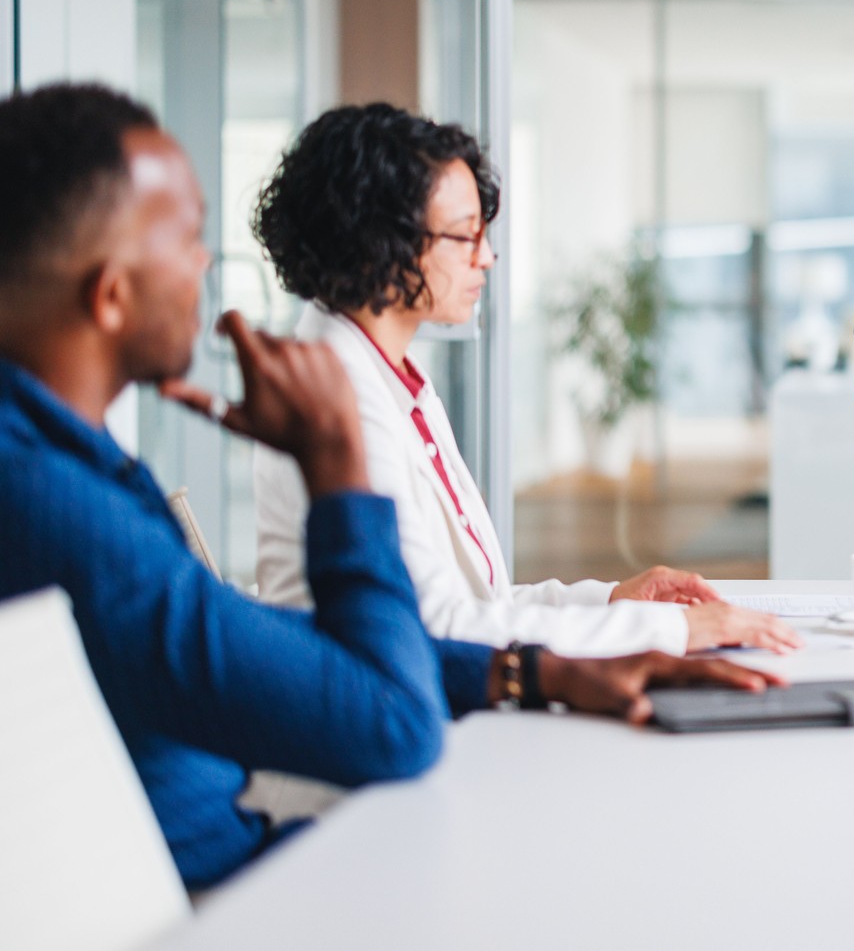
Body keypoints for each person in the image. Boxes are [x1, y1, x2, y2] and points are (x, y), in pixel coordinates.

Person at [0, 84, 780, 889]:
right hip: (231, 891)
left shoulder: (80, 469)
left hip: (262, 849)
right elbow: (391, 720)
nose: (205, 263)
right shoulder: (53, 502)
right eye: (187, 238)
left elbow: (286, 645)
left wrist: (543, 668)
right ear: (112, 293)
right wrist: (334, 463)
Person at [250, 103, 801, 656]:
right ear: (380, 242)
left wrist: (609, 601)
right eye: (466, 236)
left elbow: (477, 603)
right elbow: (441, 626)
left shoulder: (390, 377)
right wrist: (674, 632)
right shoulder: (334, 392)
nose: (486, 258)